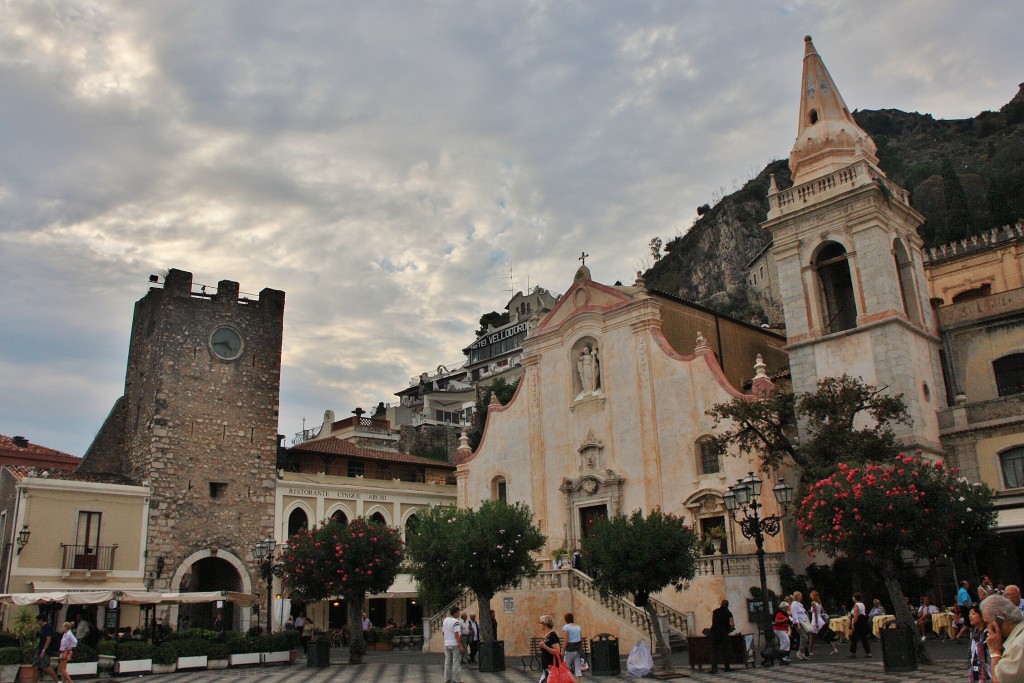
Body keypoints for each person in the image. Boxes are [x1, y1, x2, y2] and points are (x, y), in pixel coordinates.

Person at [981, 594, 1024, 683]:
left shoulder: (1017, 646)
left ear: (1000, 619)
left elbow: (999, 680)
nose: (987, 629)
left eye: (987, 622)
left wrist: (995, 652)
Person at [708, 599, 734, 673]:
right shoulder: (728, 613)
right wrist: (729, 628)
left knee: (714, 651)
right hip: (723, 634)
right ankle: (727, 667)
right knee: (725, 651)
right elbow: (732, 624)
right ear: (727, 605)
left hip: (714, 633)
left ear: (721, 604)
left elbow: (713, 622)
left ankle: (714, 668)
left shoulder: (715, 611)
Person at [969, 603, 992, 682]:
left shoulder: (989, 633)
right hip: (976, 671)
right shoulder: (973, 634)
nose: (970, 616)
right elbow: (971, 654)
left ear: (982, 616)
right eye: (970, 614)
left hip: (989, 672)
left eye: (973, 614)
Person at [442, 606, 464, 683]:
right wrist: (460, 645)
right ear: (454, 613)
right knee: (456, 662)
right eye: (458, 612)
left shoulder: (445, 620)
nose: (459, 614)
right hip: (454, 644)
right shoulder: (455, 621)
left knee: (447, 662)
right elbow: (456, 634)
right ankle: (456, 679)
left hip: (447, 643)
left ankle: (446, 679)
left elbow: (443, 632)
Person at [35, 614, 59, 683]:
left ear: (41, 620)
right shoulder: (42, 628)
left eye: (38, 621)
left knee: (45, 667)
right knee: (36, 666)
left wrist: (43, 650)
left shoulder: (48, 627)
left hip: (45, 650)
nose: (38, 622)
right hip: (40, 649)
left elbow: (49, 639)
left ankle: (57, 681)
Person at [538, 615, 561, 682]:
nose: (539, 625)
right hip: (547, 666)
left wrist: (545, 646)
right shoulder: (547, 635)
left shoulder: (552, 636)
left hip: (551, 666)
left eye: (540, 623)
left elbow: (557, 651)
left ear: (545, 624)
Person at [562, 613, 584, 682]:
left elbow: (566, 639)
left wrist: (562, 650)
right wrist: (581, 648)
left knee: (565, 666)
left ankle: (568, 681)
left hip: (570, 649)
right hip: (578, 649)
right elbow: (581, 638)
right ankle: (578, 681)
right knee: (578, 667)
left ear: (566, 619)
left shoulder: (566, 627)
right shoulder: (578, 627)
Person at [808, 590, 830, 656]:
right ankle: (833, 648)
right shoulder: (819, 603)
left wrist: (816, 622)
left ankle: (810, 651)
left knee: (812, 636)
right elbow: (822, 612)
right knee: (823, 635)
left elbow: (815, 614)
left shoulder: (813, 603)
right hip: (820, 620)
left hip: (815, 621)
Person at [849, 592, 872, 658]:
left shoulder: (856, 605)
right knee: (863, 638)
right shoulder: (862, 604)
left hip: (858, 622)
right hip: (862, 622)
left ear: (855, 598)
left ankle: (853, 653)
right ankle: (868, 652)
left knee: (854, 638)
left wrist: (853, 623)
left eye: (853, 597)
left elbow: (856, 615)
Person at [790, 591, 811, 658]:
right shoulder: (794, 604)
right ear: (797, 596)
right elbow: (795, 614)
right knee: (804, 637)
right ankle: (800, 652)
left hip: (803, 622)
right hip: (799, 622)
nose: (801, 597)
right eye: (800, 596)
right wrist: (797, 623)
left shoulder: (799, 604)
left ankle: (802, 652)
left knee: (804, 637)